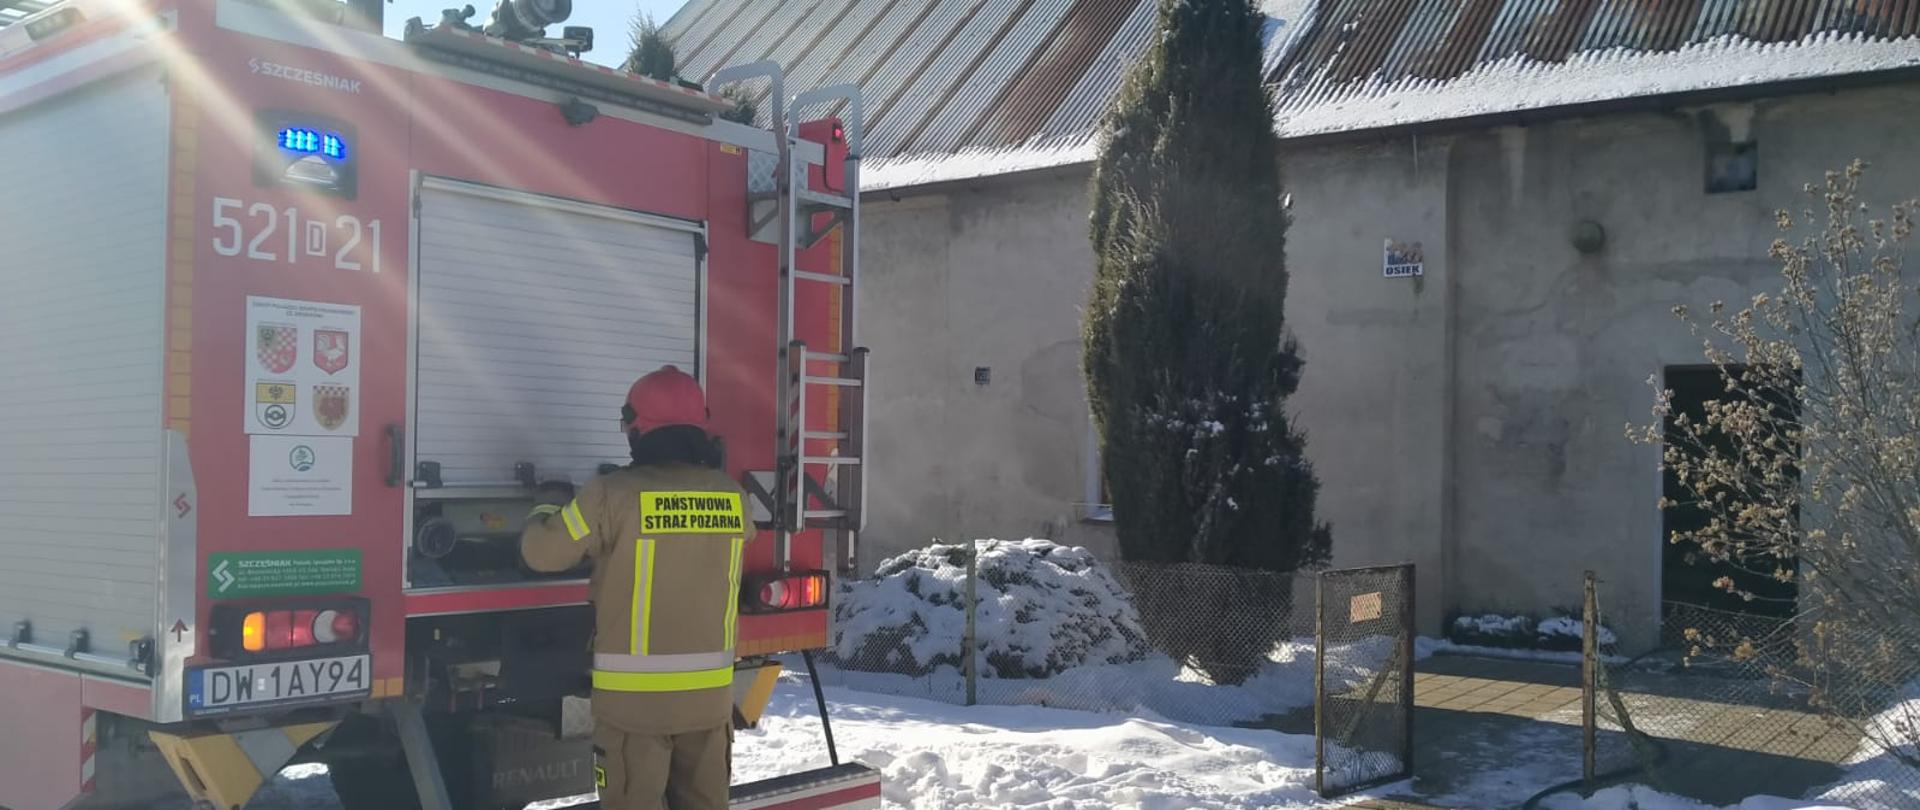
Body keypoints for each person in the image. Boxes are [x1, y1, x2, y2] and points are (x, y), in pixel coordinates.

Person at [520, 365, 755, 810]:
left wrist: (545, 504)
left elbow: (542, 554)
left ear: (637, 427)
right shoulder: (731, 496)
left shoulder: (611, 494)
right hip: (708, 707)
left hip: (635, 712)